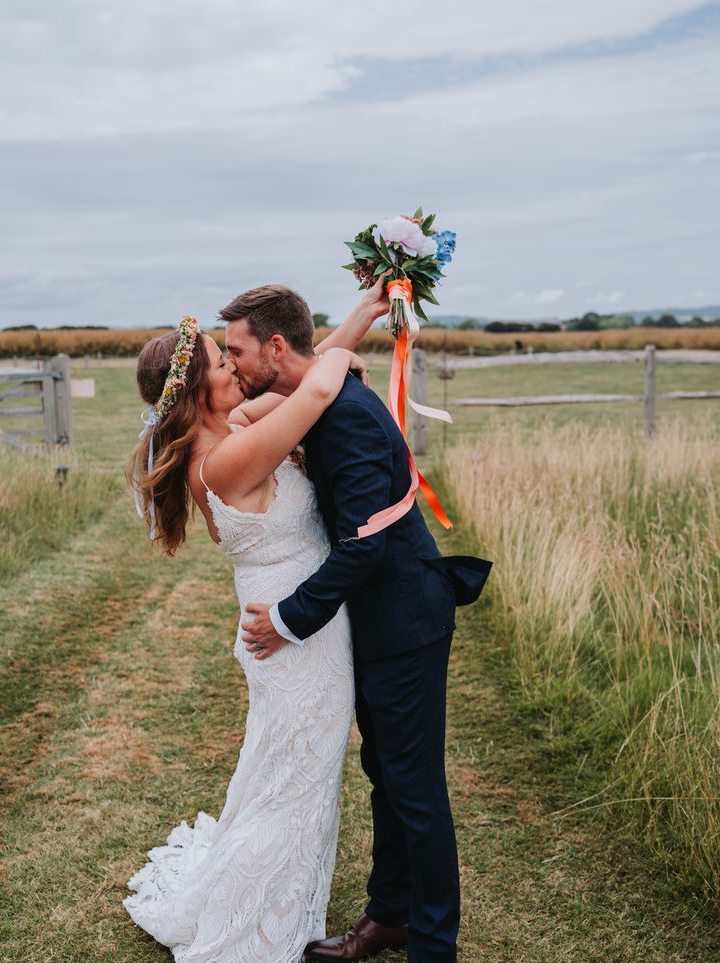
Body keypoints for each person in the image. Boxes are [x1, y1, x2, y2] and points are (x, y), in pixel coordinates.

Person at [123, 278, 390, 963]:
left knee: (286, 772)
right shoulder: (227, 459)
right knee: (293, 779)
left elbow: (297, 375)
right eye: (221, 363)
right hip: (293, 633)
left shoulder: (236, 429)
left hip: (293, 624)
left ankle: (275, 897)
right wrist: (338, 364)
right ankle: (256, 921)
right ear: (196, 392)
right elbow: (315, 392)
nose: (234, 367)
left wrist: (361, 315)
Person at [226, 287, 492, 963]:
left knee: (416, 789)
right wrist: (354, 329)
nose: (230, 365)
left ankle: (432, 945)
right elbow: (276, 400)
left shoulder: (342, 412)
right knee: (387, 772)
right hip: (377, 622)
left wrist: (288, 618)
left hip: (404, 619)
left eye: (237, 350)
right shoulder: (321, 391)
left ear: (275, 349)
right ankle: (389, 915)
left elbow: (366, 544)